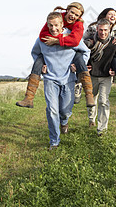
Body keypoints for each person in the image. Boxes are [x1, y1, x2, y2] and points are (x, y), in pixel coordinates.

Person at [16, 2, 95, 108]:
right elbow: (42, 35)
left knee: (80, 59)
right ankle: (29, 98)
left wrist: (57, 40)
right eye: (72, 12)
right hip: (52, 66)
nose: (73, 16)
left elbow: (75, 41)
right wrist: (43, 64)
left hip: (73, 51)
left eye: (77, 15)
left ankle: (89, 95)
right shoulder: (55, 18)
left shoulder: (78, 24)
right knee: (38, 60)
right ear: (67, 10)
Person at [31, 12, 90, 149]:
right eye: (50, 25)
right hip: (50, 79)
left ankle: (64, 121)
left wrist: (79, 65)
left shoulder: (71, 37)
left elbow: (86, 51)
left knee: (65, 110)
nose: (53, 28)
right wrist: (41, 66)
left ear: (62, 24)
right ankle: (54, 141)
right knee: (52, 110)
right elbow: (35, 53)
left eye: (56, 25)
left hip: (68, 78)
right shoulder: (42, 39)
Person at [81, 7, 116, 105]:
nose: (113, 16)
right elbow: (83, 43)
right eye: (110, 14)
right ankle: (78, 87)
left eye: (115, 15)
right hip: (95, 58)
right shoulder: (93, 27)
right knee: (92, 98)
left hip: (109, 59)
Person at [86, 18, 116, 136]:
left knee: (103, 101)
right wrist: (86, 65)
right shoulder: (90, 41)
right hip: (92, 76)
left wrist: (115, 70)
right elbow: (83, 54)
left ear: (109, 30)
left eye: (105, 30)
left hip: (106, 77)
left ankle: (102, 129)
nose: (103, 33)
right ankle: (91, 118)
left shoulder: (114, 43)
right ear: (96, 29)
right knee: (92, 99)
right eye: (100, 30)